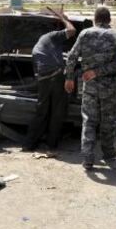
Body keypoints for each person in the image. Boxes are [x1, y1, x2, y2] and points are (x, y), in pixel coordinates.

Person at [65, 7, 116, 170]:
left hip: (90, 85)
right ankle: (108, 152)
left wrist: (69, 78)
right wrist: (98, 72)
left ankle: (87, 157)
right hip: (109, 86)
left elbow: (71, 57)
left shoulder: (84, 34)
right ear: (109, 20)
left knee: (89, 120)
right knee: (108, 119)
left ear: (94, 19)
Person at [22, 10, 76, 153]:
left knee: (41, 112)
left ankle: (29, 144)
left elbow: (37, 73)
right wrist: (64, 18)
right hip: (56, 76)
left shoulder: (39, 46)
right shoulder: (51, 36)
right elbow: (72, 30)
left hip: (43, 79)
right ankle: (51, 145)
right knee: (57, 112)